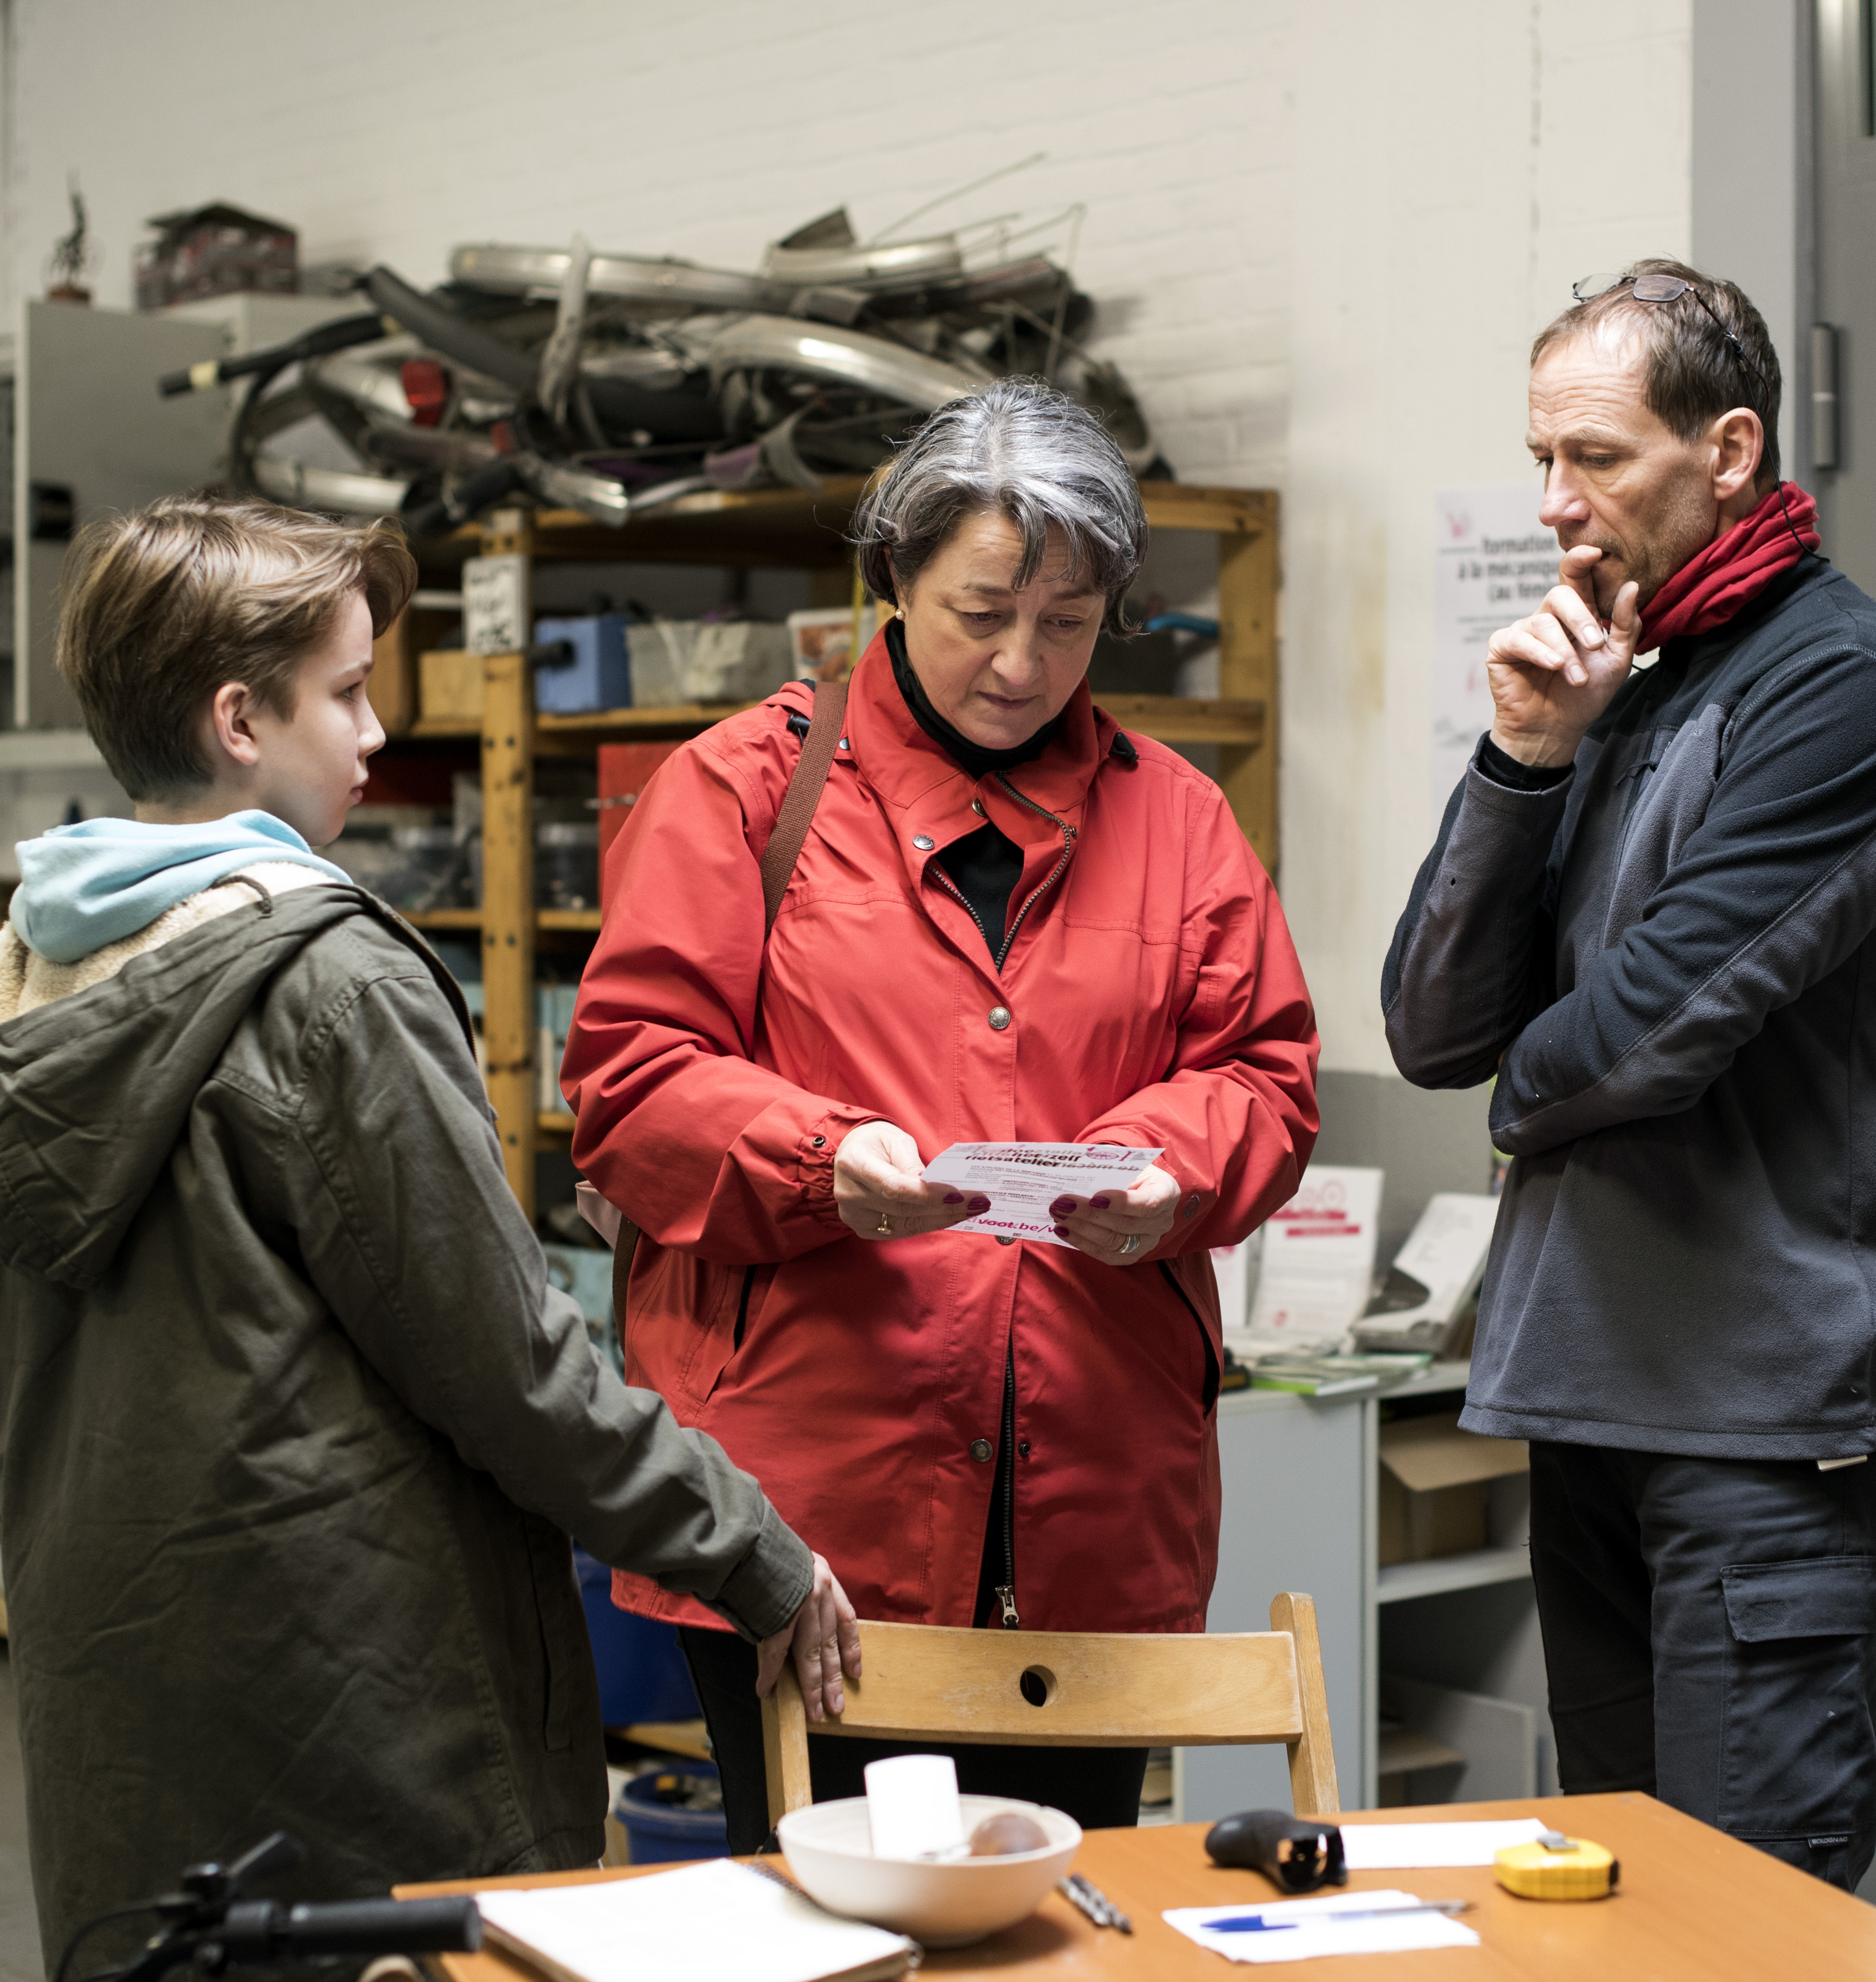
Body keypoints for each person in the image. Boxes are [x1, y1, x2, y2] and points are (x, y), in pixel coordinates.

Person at [0, 496, 858, 1982]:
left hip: (125, 1660)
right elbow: (514, 1368)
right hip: (368, 1659)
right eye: (347, 692)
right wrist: (749, 1549)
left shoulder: (25, 970)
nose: (382, 732)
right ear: (239, 720)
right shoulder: (330, 977)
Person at [565, 379, 1321, 1852]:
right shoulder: (740, 792)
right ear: (892, 583)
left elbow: (1265, 1073)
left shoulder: (1175, 817)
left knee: (1061, 1952)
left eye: (1070, 621)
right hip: (809, 1501)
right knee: (826, 1948)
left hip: (1090, 1501)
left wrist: (1172, 1176)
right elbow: (631, 1078)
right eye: (981, 611)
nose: (1021, 662)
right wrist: (818, 1158)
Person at [1382, 261, 1876, 1890]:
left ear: (1730, 451)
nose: (1559, 507)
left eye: (1597, 460)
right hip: (1593, 1399)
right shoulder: (1626, 691)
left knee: (1749, 1941)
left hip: (1764, 1435)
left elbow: (1652, 1031)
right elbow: (1433, 1027)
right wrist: (1524, 755)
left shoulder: (1852, 693)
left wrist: (1518, 1085)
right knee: (1622, 1925)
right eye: (1541, 462)